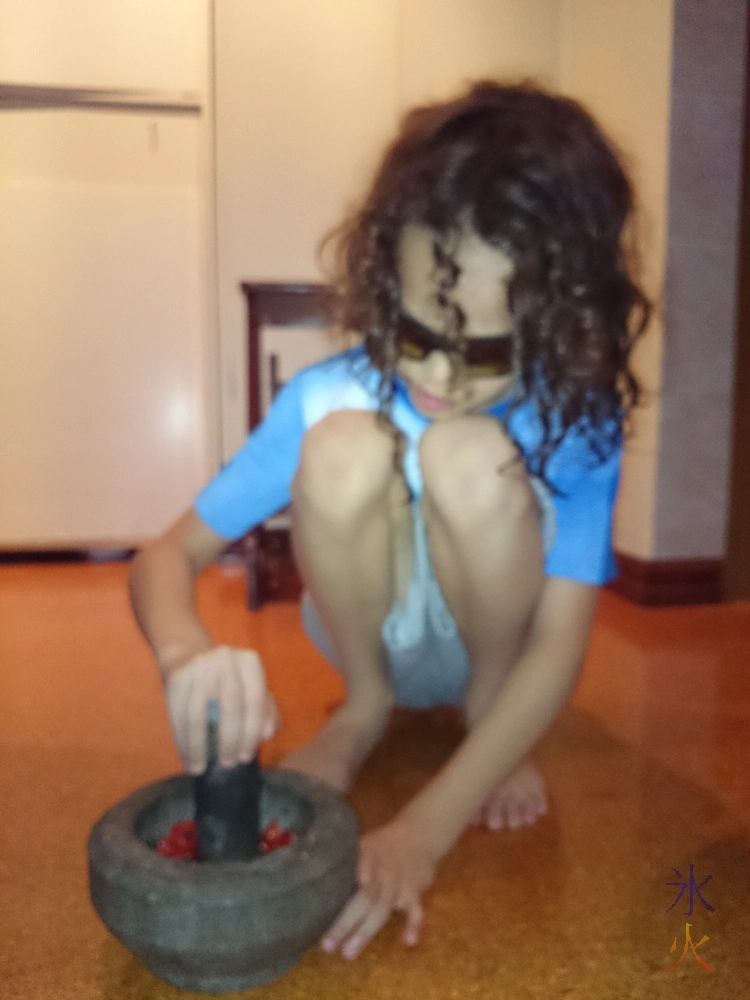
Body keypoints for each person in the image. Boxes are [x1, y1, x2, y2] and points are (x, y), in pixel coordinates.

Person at [129, 80, 650, 961]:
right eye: (416, 334)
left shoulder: (578, 422)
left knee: (468, 454)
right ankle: (365, 706)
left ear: (561, 323)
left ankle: (490, 708)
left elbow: (561, 644)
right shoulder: (325, 393)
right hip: (366, 629)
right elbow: (166, 557)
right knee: (338, 444)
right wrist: (184, 654)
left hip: (501, 638)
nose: (439, 376)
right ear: (386, 285)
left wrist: (425, 830)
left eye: (483, 351)